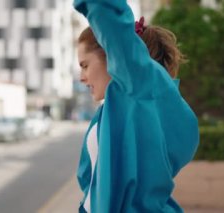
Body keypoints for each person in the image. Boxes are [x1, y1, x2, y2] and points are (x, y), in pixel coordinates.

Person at [74, 0, 199, 212]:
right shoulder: (116, 111)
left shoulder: (142, 86)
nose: (81, 77)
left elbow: (106, 12)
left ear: (112, 55)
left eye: (85, 65)